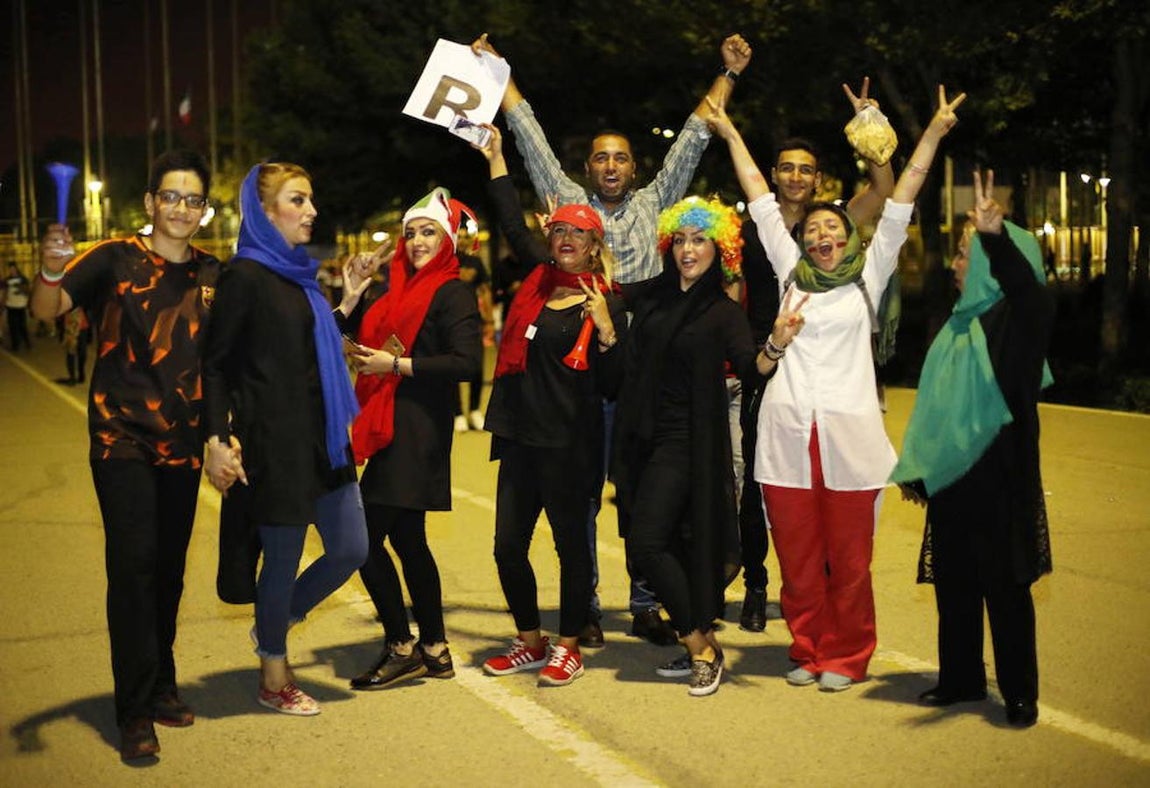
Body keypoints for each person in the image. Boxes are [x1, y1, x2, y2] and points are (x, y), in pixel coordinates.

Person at [472, 31, 752, 647]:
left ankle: (647, 602)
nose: (611, 166)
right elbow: (527, 132)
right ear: (588, 167)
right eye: (601, 157)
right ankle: (588, 608)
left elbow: (696, 134)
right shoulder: (568, 204)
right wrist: (499, 74)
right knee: (583, 503)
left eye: (621, 158)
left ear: (634, 167)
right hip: (580, 384)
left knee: (644, 497)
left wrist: (727, 75)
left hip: (644, 380)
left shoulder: (658, 202)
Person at [712, 85, 965, 692]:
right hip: (786, 442)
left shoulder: (867, 280)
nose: (824, 234)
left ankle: (848, 655)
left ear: (849, 238)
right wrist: (729, 132)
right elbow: (758, 195)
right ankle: (807, 647)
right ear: (801, 243)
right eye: (815, 230)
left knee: (850, 564)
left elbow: (901, 199)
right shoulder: (787, 276)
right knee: (798, 561)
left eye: (834, 227)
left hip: (850, 447)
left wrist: (930, 133)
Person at [29, 150, 220, 761]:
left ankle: (161, 681)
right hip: (121, 441)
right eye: (171, 196)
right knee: (134, 570)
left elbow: (226, 364)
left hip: (184, 449)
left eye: (193, 199)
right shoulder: (113, 259)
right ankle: (134, 710)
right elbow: (47, 310)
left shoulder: (215, 276)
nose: (181, 208)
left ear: (204, 209)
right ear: (150, 202)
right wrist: (50, 270)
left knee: (167, 572)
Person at [613, 196, 805, 696]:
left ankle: (701, 645)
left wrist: (776, 343)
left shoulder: (721, 311)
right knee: (672, 543)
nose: (687, 249)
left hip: (687, 442)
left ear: (719, 249)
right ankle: (695, 637)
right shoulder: (652, 296)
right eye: (679, 239)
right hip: (644, 438)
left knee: (646, 543)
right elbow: (605, 286)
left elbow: (750, 367)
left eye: (699, 240)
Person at [202, 162, 369, 717]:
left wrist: (344, 302)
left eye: (310, 199)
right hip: (274, 442)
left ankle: (272, 620)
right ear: (265, 211)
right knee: (281, 560)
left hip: (324, 436)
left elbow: (304, 347)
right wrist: (219, 437)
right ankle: (273, 672)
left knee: (351, 547)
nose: (311, 211)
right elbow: (217, 365)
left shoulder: (298, 274)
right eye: (298, 200)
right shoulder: (245, 276)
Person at [892, 169, 1054, 728]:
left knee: (1005, 587)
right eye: (962, 253)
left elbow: (1031, 292)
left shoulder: (1016, 321)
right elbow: (935, 415)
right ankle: (960, 678)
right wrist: (922, 469)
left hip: (1002, 474)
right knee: (956, 581)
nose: (957, 265)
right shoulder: (957, 328)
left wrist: (994, 238)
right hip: (955, 476)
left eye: (965, 256)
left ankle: (1019, 692)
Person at [736, 80, 896, 633]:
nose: (796, 177)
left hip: (829, 371)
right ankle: (760, 584)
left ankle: (832, 599)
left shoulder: (833, 223)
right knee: (766, 484)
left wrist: (871, 128)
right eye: (787, 168)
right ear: (776, 173)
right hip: (766, 362)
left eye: (806, 169)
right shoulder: (759, 231)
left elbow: (887, 189)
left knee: (833, 490)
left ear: (818, 179)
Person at [477, 125, 626, 686]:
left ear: (593, 246)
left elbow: (616, 382)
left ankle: (568, 644)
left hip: (569, 445)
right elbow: (511, 222)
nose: (566, 239)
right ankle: (530, 641)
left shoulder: (603, 302)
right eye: (559, 230)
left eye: (577, 234)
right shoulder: (537, 281)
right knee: (507, 547)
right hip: (519, 437)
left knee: (571, 550)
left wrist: (609, 333)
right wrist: (495, 158)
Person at [339, 188, 483, 690]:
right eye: (411, 233)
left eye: (428, 232)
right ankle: (435, 649)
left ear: (447, 240)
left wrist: (395, 365)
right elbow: (354, 339)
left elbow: (469, 363)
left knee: (358, 540)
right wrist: (353, 294)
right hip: (393, 428)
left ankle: (402, 646)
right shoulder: (397, 290)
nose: (418, 241)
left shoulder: (451, 291)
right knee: (407, 540)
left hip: (417, 432)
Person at [452, 231, 494, 431]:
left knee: (477, 365)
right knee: (451, 367)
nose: (460, 240)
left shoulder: (475, 263)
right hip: (449, 322)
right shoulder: (444, 262)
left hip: (473, 321)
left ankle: (475, 410)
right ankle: (458, 412)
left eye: (463, 237)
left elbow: (485, 291)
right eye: (456, 236)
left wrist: (489, 320)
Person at [4, 262, 32, 351]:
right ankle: (15, 345)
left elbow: (28, 291)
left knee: (22, 325)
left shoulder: (23, 279)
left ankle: (27, 342)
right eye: (10, 269)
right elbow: (5, 292)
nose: (12, 271)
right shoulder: (7, 280)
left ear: (16, 269)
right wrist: (3, 303)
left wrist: (20, 289)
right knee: (12, 326)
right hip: (10, 305)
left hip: (21, 305)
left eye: (13, 269)